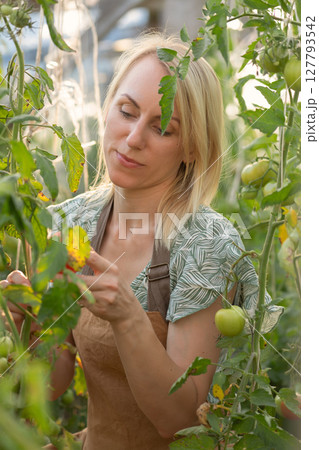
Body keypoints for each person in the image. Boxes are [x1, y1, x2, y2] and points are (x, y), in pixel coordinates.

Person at [1, 32, 282, 449]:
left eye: (162, 128)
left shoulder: (205, 245)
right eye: (127, 111)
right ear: (109, 105)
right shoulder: (70, 222)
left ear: (190, 147)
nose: (133, 139)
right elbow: (53, 384)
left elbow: (181, 419)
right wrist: (26, 326)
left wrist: (129, 317)